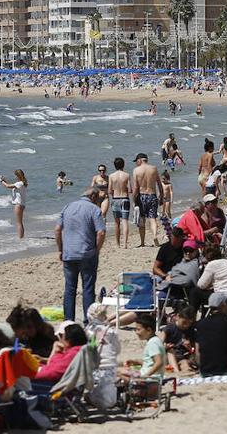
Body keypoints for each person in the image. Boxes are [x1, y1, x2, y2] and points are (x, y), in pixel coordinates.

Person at [57, 188, 106, 321]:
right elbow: (101, 232)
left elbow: (57, 229)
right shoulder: (94, 209)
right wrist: (97, 249)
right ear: (94, 196)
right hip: (87, 253)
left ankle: (68, 320)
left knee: (69, 289)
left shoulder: (68, 207)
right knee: (88, 289)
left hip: (69, 254)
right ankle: (88, 320)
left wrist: (61, 249)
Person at [118, 314, 166, 381]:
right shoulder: (155, 340)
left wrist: (146, 376)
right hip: (152, 376)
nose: (136, 332)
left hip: (150, 379)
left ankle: (133, 386)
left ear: (149, 330)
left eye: (138, 329)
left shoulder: (153, 343)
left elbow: (159, 363)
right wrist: (136, 362)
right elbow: (150, 363)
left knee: (118, 372)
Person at [132, 152, 164, 247]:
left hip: (141, 196)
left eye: (136, 161)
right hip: (152, 195)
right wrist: (161, 196)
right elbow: (159, 184)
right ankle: (154, 236)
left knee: (142, 219)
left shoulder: (136, 170)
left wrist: (134, 200)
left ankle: (142, 242)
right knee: (152, 218)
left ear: (139, 160)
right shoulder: (154, 168)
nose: (136, 163)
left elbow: (135, 188)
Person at [193, 243, 227, 309]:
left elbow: (201, 285)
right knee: (205, 293)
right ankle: (204, 316)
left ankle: (191, 316)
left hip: (223, 297)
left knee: (195, 292)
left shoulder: (211, 264)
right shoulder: (226, 262)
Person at [161, 306, 197, 373]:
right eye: (184, 322)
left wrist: (189, 348)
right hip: (168, 357)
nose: (186, 326)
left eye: (189, 324)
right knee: (170, 351)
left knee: (185, 364)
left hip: (183, 357)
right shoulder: (169, 328)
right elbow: (159, 345)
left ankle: (186, 371)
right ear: (177, 317)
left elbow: (194, 350)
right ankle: (176, 371)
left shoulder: (191, 331)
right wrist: (165, 347)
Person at [108, 157, 132, 248]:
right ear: (123, 165)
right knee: (125, 222)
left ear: (114, 165)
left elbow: (110, 191)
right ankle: (125, 244)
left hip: (115, 199)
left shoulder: (111, 176)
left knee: (117, 223)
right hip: (125, 199)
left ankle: (118, 244)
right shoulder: (127, 175)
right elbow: (130, 190)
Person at [0, 169, 28, 239]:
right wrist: (4, 180)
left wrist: (1, 181)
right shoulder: (22, 183)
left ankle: (20, 238)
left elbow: (8, 186)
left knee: (19, 222)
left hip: (18, 204)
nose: (15, 177)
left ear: (18, 176)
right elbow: (10, 185)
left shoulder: (19, 183)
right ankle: (21, 237)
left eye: (16, 176)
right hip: (22, 204)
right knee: (20, 222)